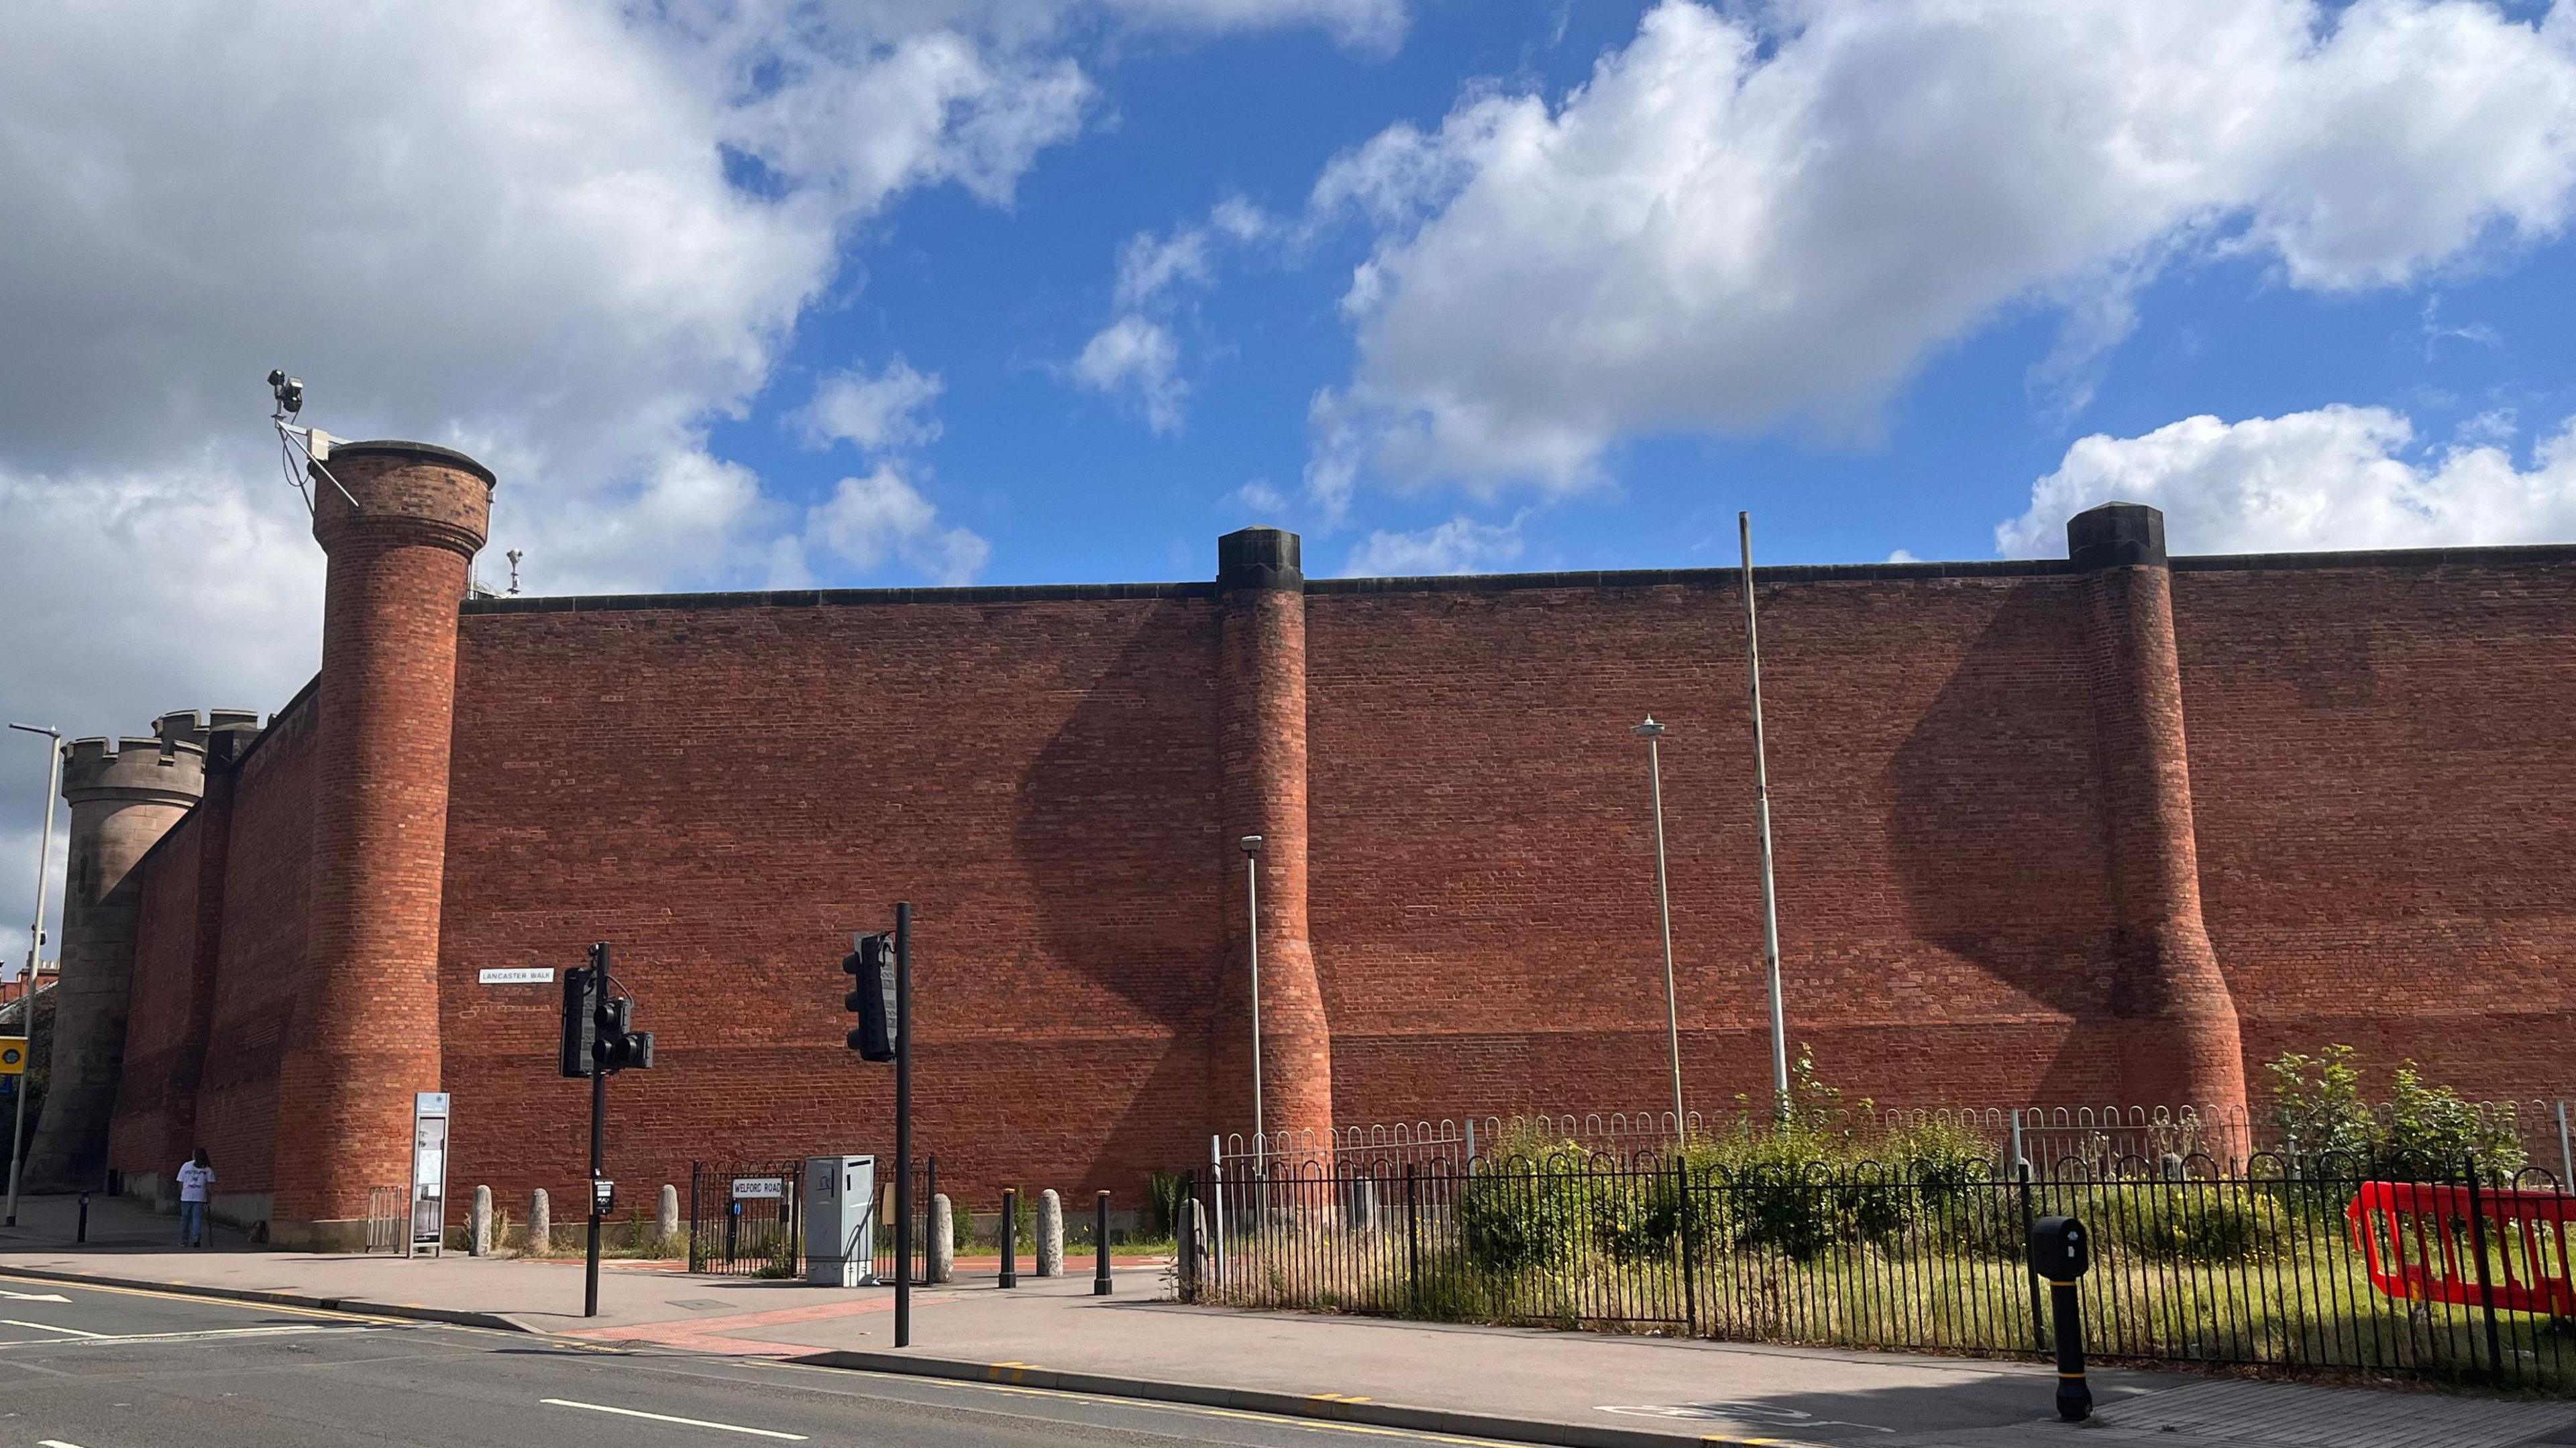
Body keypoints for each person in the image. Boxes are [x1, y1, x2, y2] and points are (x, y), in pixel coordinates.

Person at [175, 1148, 214, 1248]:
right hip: (200, 1197)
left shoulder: (186, 1166)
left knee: (185, 1219)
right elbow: (209, 1186)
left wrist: (181, 1193)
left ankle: (184, 1240)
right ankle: (196, 1239)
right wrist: (209, 1197)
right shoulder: (207, 1169)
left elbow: (181, 1182)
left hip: (186, 1196)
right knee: (197, 1219)